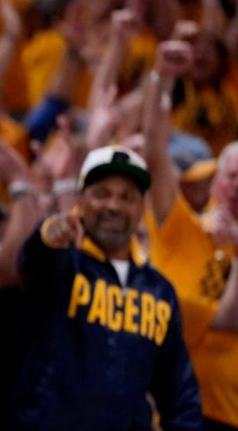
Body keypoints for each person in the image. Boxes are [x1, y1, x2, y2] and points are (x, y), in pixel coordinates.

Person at [6, 144, 202, 429]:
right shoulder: (62, 263)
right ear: (81, 199)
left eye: (127, 197)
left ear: (142, 207)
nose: (113, 206)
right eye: (101, 194)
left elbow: (180, 395)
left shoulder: (160, 291)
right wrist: (49, 234)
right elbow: (33, 260)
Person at [144, 40, 238, 431]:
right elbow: (154, 151)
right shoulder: (182, 227)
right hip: (174, 411)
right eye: (232, 176)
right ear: (215, 182)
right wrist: (163, 80)